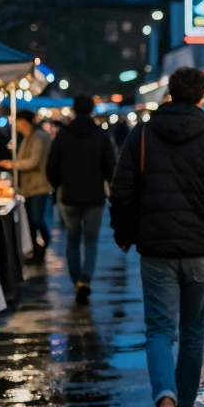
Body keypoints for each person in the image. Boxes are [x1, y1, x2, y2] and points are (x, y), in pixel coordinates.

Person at [109, 66, 204, 407]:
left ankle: (165, 398)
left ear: (169, 93)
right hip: (202, 250)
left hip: (156, 249)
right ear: (202, 97)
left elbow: (121, 192)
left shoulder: (143, 135)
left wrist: (123, 233)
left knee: (158, 329)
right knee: (193, 331)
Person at [47, 95, 116, 304]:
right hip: (95, 197)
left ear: (74, 110)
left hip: (69, 196)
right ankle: (86, 277)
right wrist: (110, 187)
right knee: (91, 241)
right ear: (92, 110)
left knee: (72, 239)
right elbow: (111, 167)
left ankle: (76, 279)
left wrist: (58, 184)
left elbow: (52, 166)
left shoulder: (62, 136)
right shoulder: (101, 135)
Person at [0, 110, 53, 261]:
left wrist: (12, 164)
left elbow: (34, 161)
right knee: (30, 219)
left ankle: (44, 244)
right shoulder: (29, 137)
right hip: (29, 187)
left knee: (36, 219)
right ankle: (36, 250)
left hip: (39, 186)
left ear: (24, 122)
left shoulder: (39, 137)